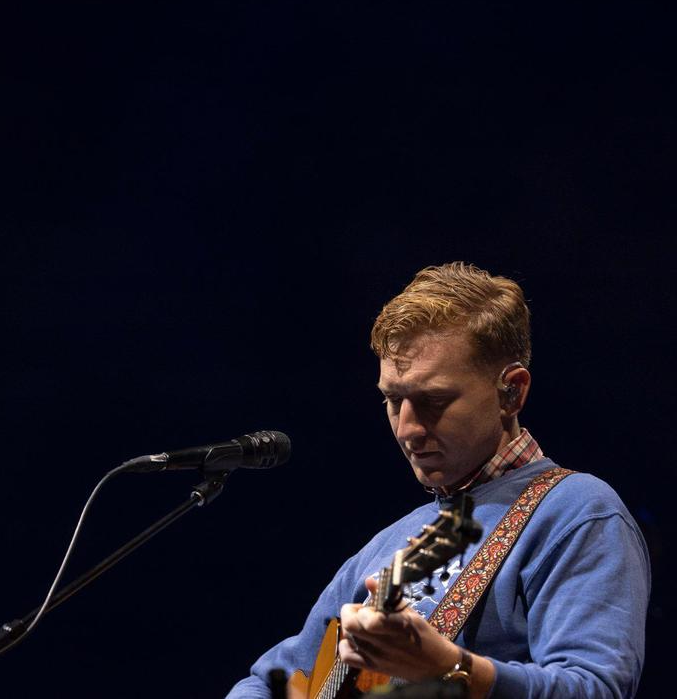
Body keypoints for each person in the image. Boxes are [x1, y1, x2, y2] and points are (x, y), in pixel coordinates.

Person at [226, 262, 650, 698]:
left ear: (513, 391)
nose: (407, 428)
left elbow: (596, 689)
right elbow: (264, 683)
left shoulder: (576, 512)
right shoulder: (385, 547)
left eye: (433, 400)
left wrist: (451, 667)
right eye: (393, 400)